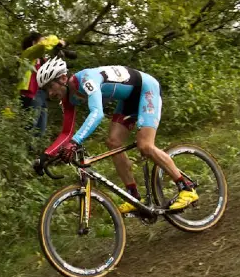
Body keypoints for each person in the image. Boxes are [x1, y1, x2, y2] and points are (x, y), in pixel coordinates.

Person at [33, 58, 198, 213]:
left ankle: (186, 188)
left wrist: (75, 142)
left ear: (62, 78)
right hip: (128, 100)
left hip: (146, 89)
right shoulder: (69, 99)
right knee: (113, 142)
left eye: (49, 87)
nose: (49, 94)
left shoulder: (86, 79)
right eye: (45, 90)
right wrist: (46, 155)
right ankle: (134, 196)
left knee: (145, 145)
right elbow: (66, 132)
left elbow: (97, 113)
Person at [17, 31, 66, 136]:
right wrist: (58, 41)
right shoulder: (28, 54)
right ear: (34, 43)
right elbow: (44, 45)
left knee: (40, 131)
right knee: (29, 128)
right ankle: (24, 150)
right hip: (30, 95)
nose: (45, 40)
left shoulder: (40, 59)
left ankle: (33, 152)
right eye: (42, 39)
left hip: (41, 95)